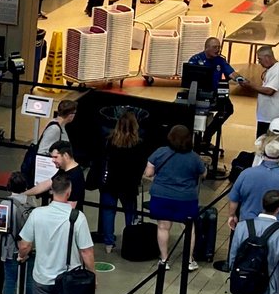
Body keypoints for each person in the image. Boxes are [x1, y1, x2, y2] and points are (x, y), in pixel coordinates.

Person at [145, 125, 208, 267]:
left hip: (161, 196)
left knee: (163, 227)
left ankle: (164, 260)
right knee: (188, 228)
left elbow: (148, 173)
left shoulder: (160, 152)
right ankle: (189, 260)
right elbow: (203, 173)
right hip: (186, 198)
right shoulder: (194, 157)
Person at [98, 111, 146, 253]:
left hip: (110, 183)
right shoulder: (138, 143)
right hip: (129, 184)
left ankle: (108, 243)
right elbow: (141, 165)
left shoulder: (110, 141)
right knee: (130, 213)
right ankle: (129, 240)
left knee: (108, 212)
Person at [228, 141, 279, 231]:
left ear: (263, 154)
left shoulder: (246, 174)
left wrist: (232, 215)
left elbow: (234, 199)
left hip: (248, 227)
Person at [188, 37, 239, 153]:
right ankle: (190, 140)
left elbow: (231, 73)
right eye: (215, 47)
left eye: (219, 47)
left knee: (228, 109)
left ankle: (206, 137)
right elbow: (188, 78)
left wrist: (240, 79)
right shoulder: (195, 60)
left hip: (214, 96)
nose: (218, 50)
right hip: (198, 95)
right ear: (206, 48)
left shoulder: (220, 61)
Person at [1, 172, 34, 294]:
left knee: (10, 279)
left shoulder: (5, 204)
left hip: (11, 249)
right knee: (29, 279)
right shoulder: (31, 202)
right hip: (29, 246)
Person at [26, 140, 86, 208]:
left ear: (66, 155)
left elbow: (71, 206)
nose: (53, 160)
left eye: (55, 157)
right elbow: (46, 184)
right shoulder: (63, 169)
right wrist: (24, 194)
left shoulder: (76, 177)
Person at [249, 46, 279, 136]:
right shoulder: (272, 69)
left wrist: (249, 85)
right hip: (266, 116)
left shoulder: (278, 70)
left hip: (272, 117)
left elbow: (269, 91)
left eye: (260, 59)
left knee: (268, 146)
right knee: (261, 144)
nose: (259, 62)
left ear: (267, 57)